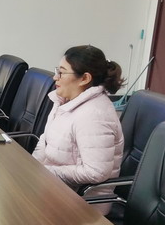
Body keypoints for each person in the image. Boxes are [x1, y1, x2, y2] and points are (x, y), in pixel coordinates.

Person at [33, 44, 124, 191]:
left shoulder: (94, 116)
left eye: (62, 73)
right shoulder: (64, 101)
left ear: (84, 78)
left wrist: (46, 171)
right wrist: (32, 168)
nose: (55, 77)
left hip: (80, 199)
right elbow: (45, 142)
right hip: (53, 186)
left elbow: (96, 172)